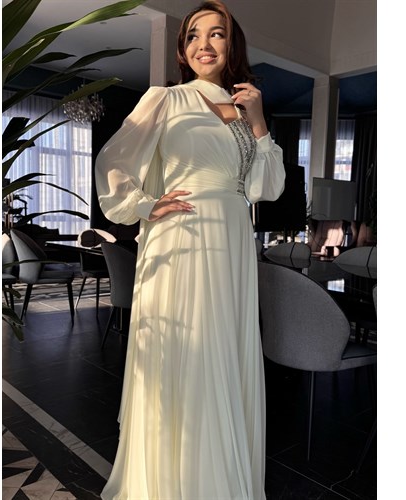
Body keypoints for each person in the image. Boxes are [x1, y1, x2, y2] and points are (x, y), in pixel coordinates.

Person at [95, 1, 285, 498]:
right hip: (181, 237)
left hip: (232, 239)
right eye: (194, 35)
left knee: (223, 351)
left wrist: (259, 122)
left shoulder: (244, 110)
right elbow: (114, 159)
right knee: (187, 352)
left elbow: (266, 187)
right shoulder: (166, 99)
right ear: (182, 50)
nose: (205, 44)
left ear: (231, 45)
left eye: (216, 34)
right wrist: (144, 204)